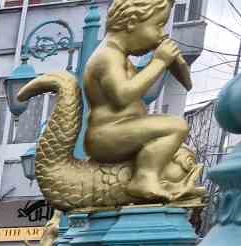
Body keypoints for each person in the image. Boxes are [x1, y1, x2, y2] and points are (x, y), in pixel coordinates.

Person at [82, 0, 204, 203]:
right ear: (132, 22)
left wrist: (175, 62)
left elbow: (188, 84)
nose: (161, 34)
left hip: (120, 131)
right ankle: (144, 178)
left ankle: (153, 175)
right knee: (177, 127)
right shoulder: (107, 56)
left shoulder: (119, 55)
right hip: (107, 135)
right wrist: (159, 61)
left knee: (180, 150)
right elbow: (122, 96)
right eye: (157, 26)